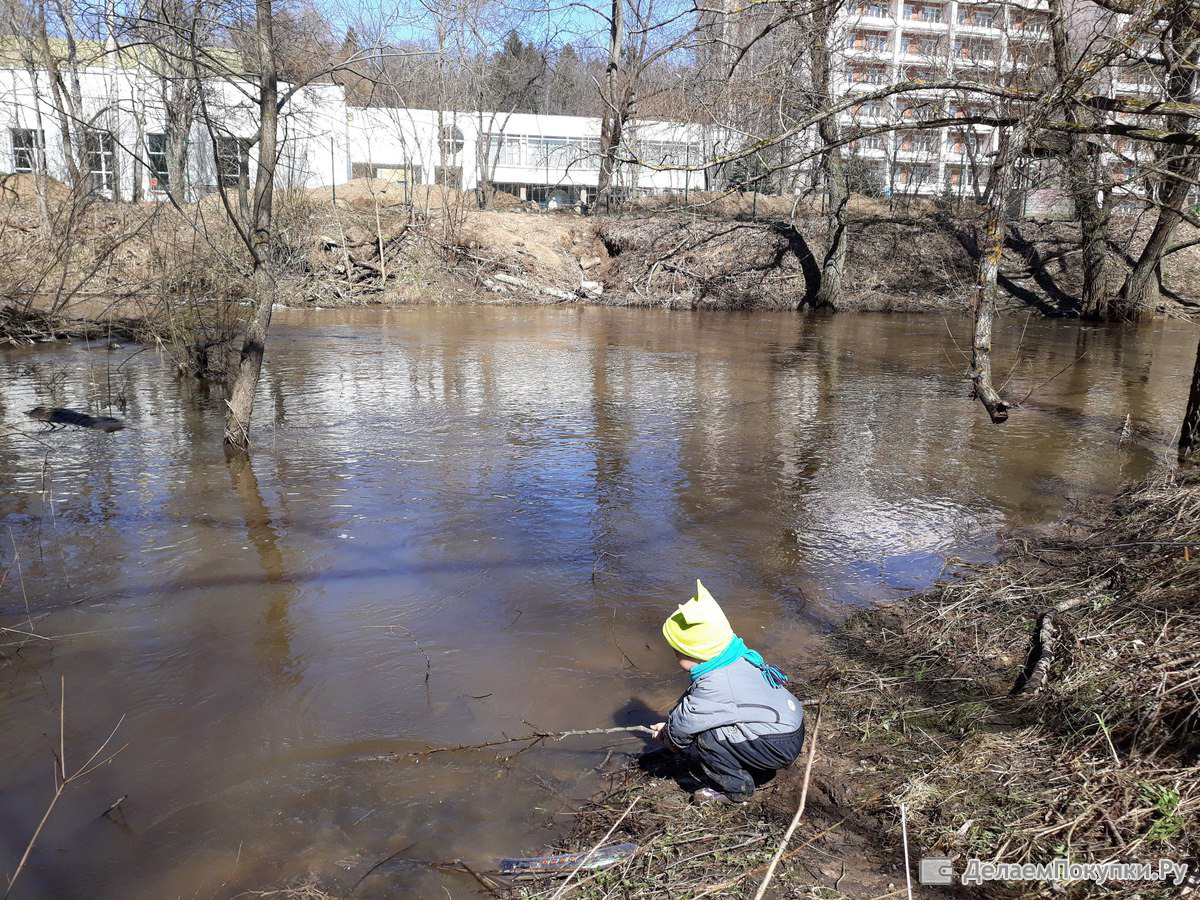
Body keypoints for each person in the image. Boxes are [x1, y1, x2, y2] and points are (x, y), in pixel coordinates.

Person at [651, 580, 805, 803]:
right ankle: (753, 762)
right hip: (790, 726)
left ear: (695, 654)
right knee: (716, 727)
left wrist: (669, 739)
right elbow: (693, 705)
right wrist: (670, 725)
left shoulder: (715, 684)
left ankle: (736, 790)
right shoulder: (736, 657)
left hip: (778, 744)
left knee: (709, 737)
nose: (675, 655)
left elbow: (689, 720)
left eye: (678, 651)